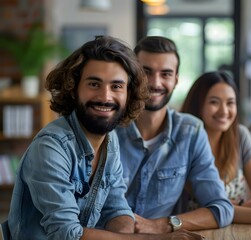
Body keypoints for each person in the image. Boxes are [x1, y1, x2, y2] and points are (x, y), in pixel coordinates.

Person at [7, 36, 205, 240]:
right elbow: (67, 234)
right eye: (94, 84)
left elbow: (117, 210)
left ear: (129, 94)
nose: (105, 97)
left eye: (117, 86)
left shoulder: (110, 141)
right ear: (73, 88)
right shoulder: (50, 148)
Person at [115, 36, 233, 234]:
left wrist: (160, 225)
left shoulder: (190, 131)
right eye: (146, 72)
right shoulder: (108, 127)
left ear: (176, 79)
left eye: (166, 74)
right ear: (132, 75)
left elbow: (221, 209)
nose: (155, 83)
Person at [181, 71, 251, 224]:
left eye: (230, 103)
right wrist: (232, 210)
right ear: (198, 105)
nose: (224, 111)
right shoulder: (185, 140)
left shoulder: (240, 135)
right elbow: (209, 211)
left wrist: (235, 207)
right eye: (214, 102)